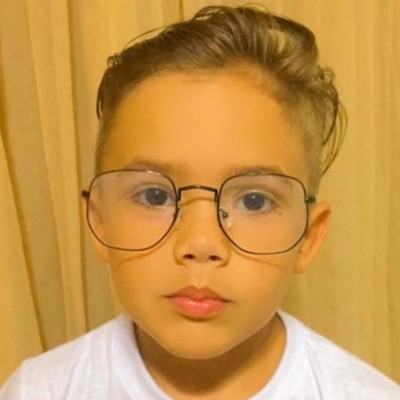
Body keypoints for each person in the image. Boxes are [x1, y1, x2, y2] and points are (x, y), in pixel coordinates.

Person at [1, 5, 399, 399]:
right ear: (99, 219)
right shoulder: (39, 391)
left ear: (308, 236)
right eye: (154, 195)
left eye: (254, 201)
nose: (201, 243)